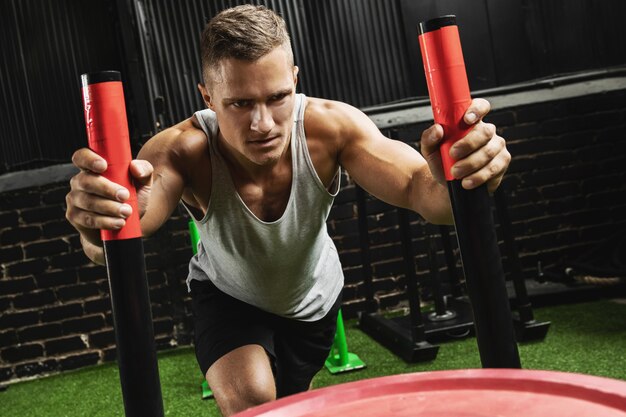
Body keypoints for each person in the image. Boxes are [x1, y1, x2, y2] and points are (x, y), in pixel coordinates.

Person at [66, 4, 510, 416]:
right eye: (240, 104)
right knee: (252, 400)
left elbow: (423, 194)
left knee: (288, 404)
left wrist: (463, 178)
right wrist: (101, 223)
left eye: (276, 97)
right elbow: (124, 233)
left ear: (295, 80)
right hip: (227, 295)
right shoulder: (183, 149)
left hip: (312, 300)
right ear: (207, 96)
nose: (262, 124)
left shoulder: (331, 127)